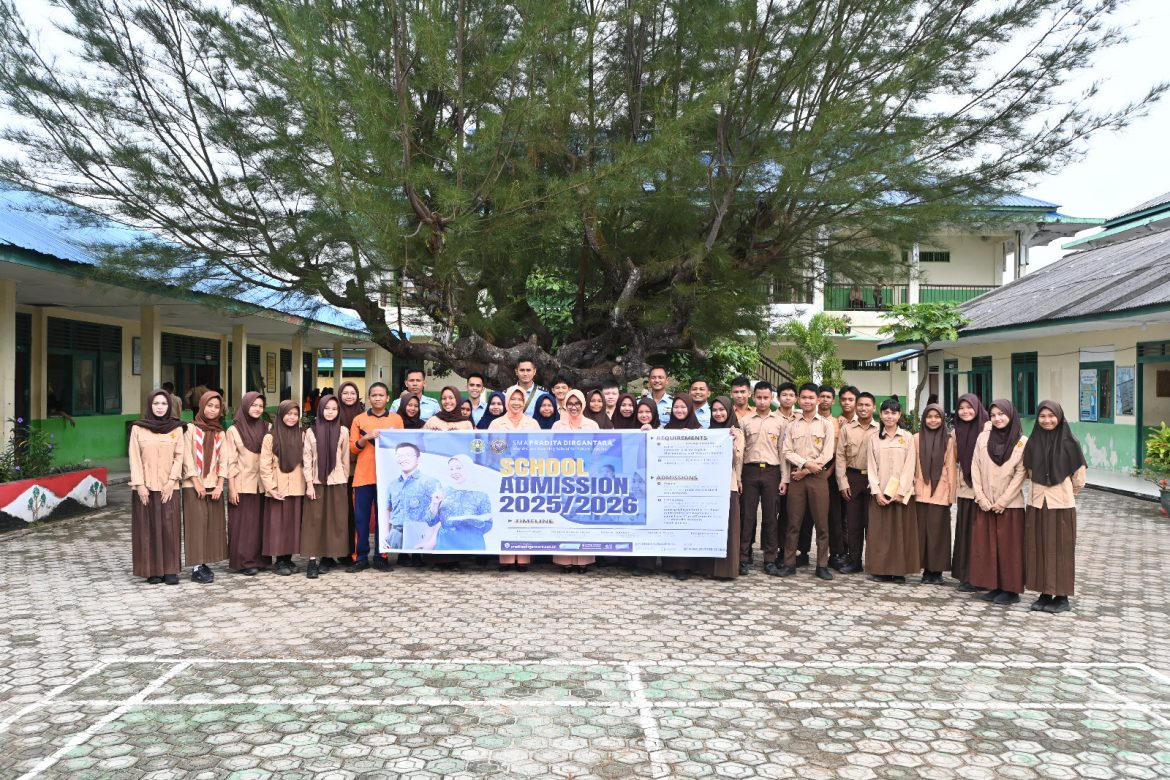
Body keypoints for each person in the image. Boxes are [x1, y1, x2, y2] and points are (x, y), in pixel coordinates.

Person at [1022, 400, 1086, 614]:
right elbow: (1029, 471)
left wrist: (1065, 493)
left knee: (1061, 550)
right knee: (1038, 548)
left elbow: (1079, 479)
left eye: (1051, 416)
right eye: (1042, 416)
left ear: (1059, 417)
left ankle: (1062, 596)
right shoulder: (1033, 442)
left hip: (1062, 506)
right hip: (1037, 504)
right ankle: (1044, 593)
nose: (1047, 420)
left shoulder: (1070, 443)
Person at [969, 399, 1028, 606]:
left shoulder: (1022, 442)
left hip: (1010, 506)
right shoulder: (983, 438)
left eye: (1002, 414)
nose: (997, 418)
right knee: (988, 546)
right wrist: (981, 497)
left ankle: (1011, 590)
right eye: (993, 415)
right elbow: (974, 467)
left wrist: (1003, 501)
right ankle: (994, 585)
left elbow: (1021, 474)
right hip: (985, 503)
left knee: (1009, 548)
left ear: (1011, 415)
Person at [779, 383, 836, 580]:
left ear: (818, 400)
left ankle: (822, 565)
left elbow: (828, 454)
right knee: (794, 522)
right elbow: (786, 451)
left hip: (818, 478)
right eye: (803, 398)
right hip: (796, 479)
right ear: (798, 400)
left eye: (811, 398)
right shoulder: (791, 425)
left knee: (822, 523)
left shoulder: (826, 425)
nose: (807, 401)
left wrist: (806, 470)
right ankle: (789, 563)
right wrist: (804, 465)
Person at [128, 390, 186, 585]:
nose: (160, 407)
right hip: (145, 487)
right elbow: (134, 458)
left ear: (169, 406)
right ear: (149, 406)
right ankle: (152, 570)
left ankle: (170, 570)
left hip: (169, 487)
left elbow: (180, 457)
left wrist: (172, 482)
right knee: (148, 529)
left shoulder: (176, 429)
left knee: (169, 528)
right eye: (156, 403)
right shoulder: (138, 428)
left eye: (163, 403)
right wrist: (140, 485)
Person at [347, 382, 404, 572]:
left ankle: (382, 556)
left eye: (381, 395)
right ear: (369, 398)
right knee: (361, 520)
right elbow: (352, 448)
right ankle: (360, 557)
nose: (378, 398)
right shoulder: (359, 419)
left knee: (385, 519)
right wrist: (366, 437)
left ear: (388, 398)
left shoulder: (396, 420)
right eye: (374, 395)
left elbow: (403, 447)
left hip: (388, 478)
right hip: (363, 476)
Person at [865, 398, 919, 583]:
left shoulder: (907, 437)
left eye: (893, 412)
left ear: (899, 415)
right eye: (886, 412)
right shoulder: (873, 438)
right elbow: (871, 467)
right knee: (880, 533)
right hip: (880, 492)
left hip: (901, 495)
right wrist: (877, 492)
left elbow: (910, 465)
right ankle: (880, 570)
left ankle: (899, 571)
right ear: (880, 414)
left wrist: (902, 491)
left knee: (900, 533)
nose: (890, 416)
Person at [490, 386, 541, 570]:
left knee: (524, 515)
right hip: (503, 475)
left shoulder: (533, 424)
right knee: (505, 515)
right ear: (507, 401)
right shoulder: (496, 424)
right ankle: (506, 559)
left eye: (520, 399)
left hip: (527, 476)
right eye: (513, 399)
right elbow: (492, 450)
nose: (516, 403)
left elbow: (538, 451)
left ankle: (523, 558)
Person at [693, 396, 743, 580]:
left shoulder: (736, 432)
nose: (718, 413)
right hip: (708, 487)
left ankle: (725, 570)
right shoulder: (709, 432)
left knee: (727, 529)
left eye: (722, 410)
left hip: (728, 487)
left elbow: (737, 460)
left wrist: (730, 441)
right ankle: (706, 567)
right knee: (708, 528)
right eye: (715, 410)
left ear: (729, 411)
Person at [181, 391, 228, 584]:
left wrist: (220, 485)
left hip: (213, 485)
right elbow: (187, 457)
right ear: (201, 406)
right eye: (209, 406)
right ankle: (196, 567)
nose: (212, 410)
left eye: (216, 407)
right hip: (193, 485)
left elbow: (224, 460)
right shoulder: (190, 429)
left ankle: (205, 562)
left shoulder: (220, 432)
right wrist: (196, 482)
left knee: (211, 526)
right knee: (196, 525)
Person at [301, 395, 351, 578]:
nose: (330, 412)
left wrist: (343, 479)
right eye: (327, 408)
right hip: (316, 482)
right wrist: (309, 484)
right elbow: (307, 459)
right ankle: (312, 561)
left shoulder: (343, 431)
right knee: (314, 522)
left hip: (337, 482)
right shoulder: (311, 432)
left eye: (334, 409)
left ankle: (328, 558)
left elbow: (345, 458)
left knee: (334, 521)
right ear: (320, 409)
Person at [740, 381, 785, 575]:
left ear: (772, 398)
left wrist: (785, 479)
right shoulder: (745, 421)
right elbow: (740, 452)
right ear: (753, 397)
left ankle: (769, 559)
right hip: (749, 471)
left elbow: (783, 452)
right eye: (758, 397)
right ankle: (742, 557)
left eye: (766, 397)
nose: (762, 401)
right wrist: (738, 477)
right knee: (747, 516)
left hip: (772, 472)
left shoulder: (781, 422)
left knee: (770, 517)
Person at [224, 391, 269, 576]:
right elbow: (230, 461)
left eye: (260, 405)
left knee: (260, 524)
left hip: (263, 484)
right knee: (243, 525)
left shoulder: (268, 427)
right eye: (253, 405)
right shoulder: (233, 430)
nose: (257, 409)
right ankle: (243, 561)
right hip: (242, 484)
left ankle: (260, 560)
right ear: (245, 406)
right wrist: (232, 488)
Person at [260, 400, 307, 575]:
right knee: (277, 524)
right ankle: (279, 560)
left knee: (292, 524)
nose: (292, 418)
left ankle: (288, 558)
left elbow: (307, 461)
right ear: (281, 415)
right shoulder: (270, 437)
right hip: (277, 487)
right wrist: (271, 488)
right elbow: (264, 466)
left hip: (297, 487)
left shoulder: (302, 435)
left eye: (295, 414)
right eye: (288, 414)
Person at [835, 391, 878, 574]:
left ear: (874, 407)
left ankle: (874, 562)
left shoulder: (881, 428)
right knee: (853, 523)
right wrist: (842, 482)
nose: (863, 408)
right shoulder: (846, 429)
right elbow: (840, 457)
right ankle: (854, 560)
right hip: (852, 478)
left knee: (873, 523)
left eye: (867, 405)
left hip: (873, 480)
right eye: (860, 405)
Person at [660, 396, 703, 579]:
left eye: (683, 407)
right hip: (669, 486)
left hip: (692, 486)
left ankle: (688, 565)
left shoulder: (700, 430)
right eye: (676, 407)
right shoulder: (665, 429)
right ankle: (672, 564)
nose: (679, 410)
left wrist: (693, 438)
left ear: (690, 409)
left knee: (688, 525)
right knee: (671, 525)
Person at [951, 394, 990, 592]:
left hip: (986, 490)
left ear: (977, 407)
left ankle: (982, 577)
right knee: (966, 532)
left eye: (969, 407)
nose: (965, 411)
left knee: (982, 534)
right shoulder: (956, 431)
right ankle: (966, 576)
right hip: (966, 489)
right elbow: (954, 458)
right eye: (961, 408)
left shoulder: (988, 428)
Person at [914, 403, 956, 584]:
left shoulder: (949, 440)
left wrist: (951, 495)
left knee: (938, 533)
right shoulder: (916, 438)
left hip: (940, 492)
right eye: (929, 417)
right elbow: (912, 465)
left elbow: (951, 469)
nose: (933, 420)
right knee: (922, 533)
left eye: (937, 417)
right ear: (924, 419)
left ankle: (937, 571)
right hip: (919, 491)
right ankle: (925, 571)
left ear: (942, 419)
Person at [424, 455, 493, 551]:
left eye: (459, 468)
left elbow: (488, 525)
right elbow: (430, 521)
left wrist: (471, 521)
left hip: (471, 545)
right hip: (445, 544)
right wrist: (434, 504)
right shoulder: (444, 492)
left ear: (469, 469)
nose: (454, 472)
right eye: (451, 469)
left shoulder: (481, 495)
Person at [388, 442, 441, 559]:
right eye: (400, 456)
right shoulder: (392, 485)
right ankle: (403, 557)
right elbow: (388, 509)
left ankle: (417, 557)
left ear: (418, 459)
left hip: (422, 536)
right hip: (396, 535)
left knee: (422, 560)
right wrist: (385, 534)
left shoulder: (431, 482)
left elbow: (438, 513)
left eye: (408, 455)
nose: (403, 459)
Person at [335, 381, 364, 568]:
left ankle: (353, 551)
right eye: (345, 393)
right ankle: (336, 550)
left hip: (359, 470)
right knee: (339, 511)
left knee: (354, 513)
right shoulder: (332, 414)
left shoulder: (363, 416)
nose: (349, 396)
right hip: (337, 471)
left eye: (352, 393)